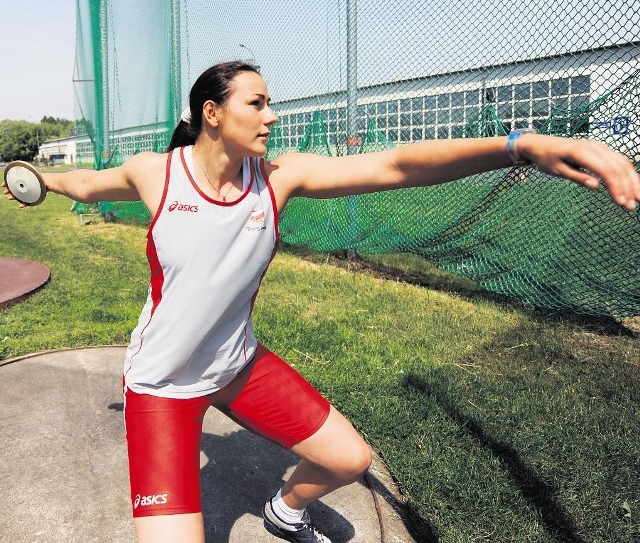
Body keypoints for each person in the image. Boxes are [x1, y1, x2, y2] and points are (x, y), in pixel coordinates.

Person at [3, 60, 640, 543]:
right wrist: (38, 180)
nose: (272, 116)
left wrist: (518, 146)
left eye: (270, 104)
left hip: (236, 364)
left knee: (349, 459)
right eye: (257, 103)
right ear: (213, 113)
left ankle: (285, 512)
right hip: (161, 386)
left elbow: (398, 167)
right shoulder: (158, 173)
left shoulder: (280, 180)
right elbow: (86, 183)